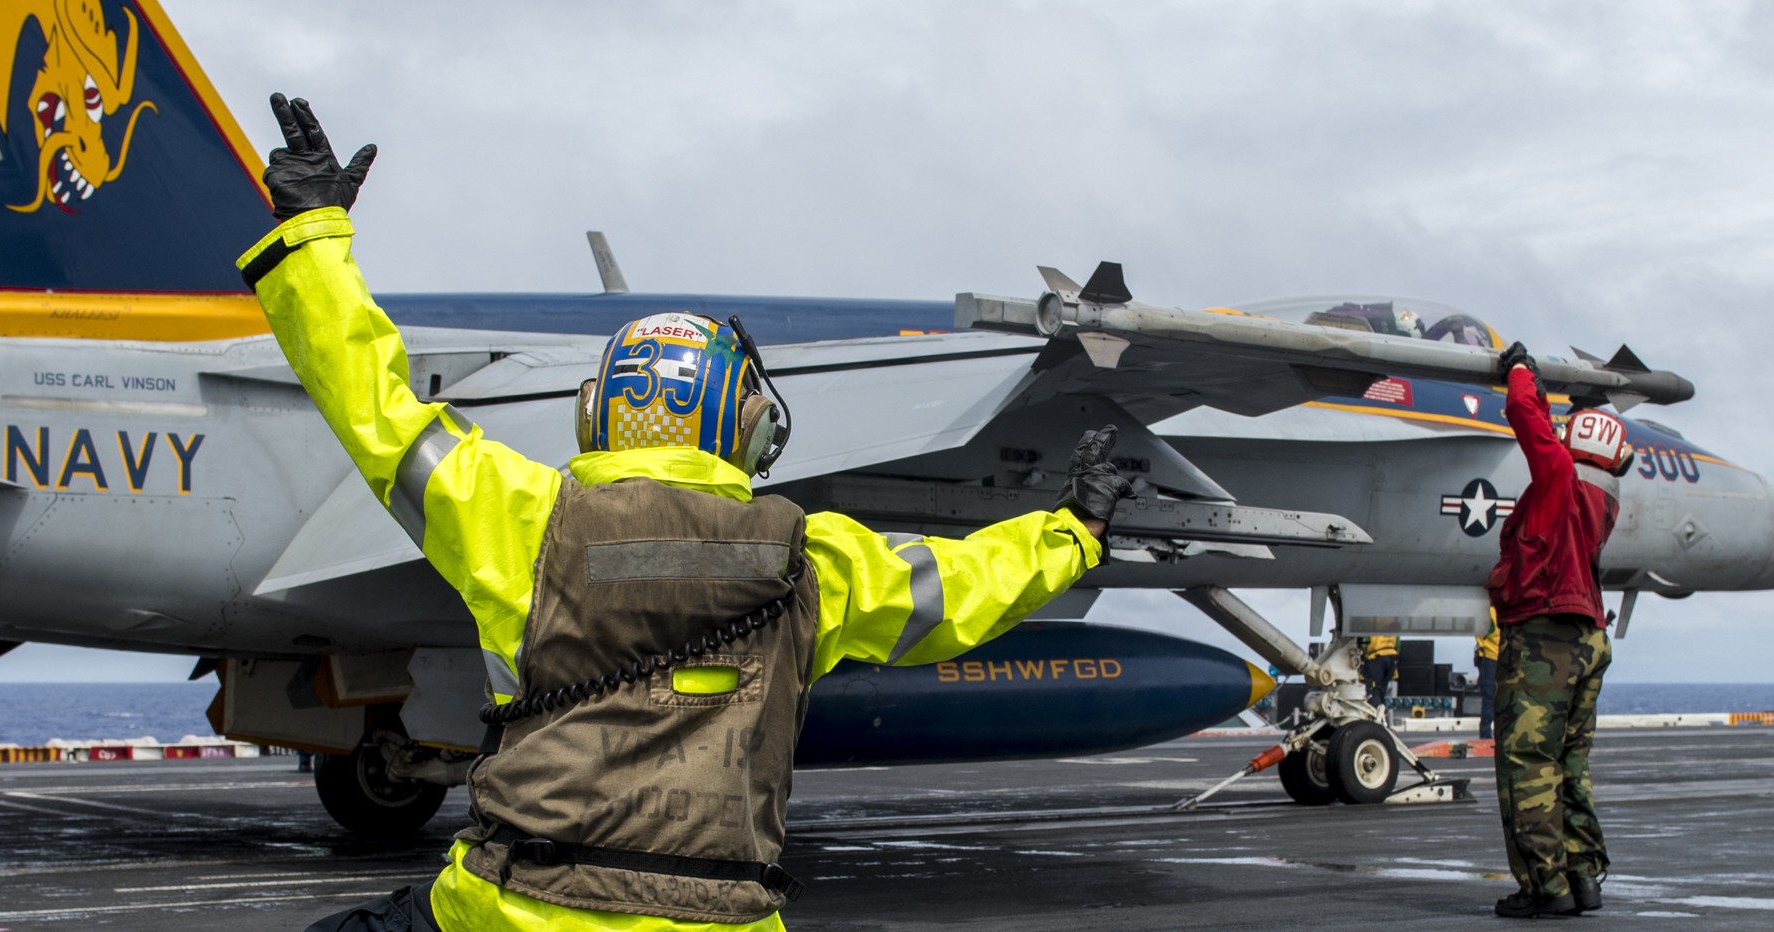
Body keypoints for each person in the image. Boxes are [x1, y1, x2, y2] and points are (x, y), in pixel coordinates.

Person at [239, 95, 1133, 932]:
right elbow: (960, 587)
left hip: (516, 908)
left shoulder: (519, 518)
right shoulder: (810, 562)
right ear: (744, 424)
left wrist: (311, 242)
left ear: (600, 409)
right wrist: (1073, 533)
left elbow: (376, 412)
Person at [1483, 341, 1635, 919]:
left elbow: (1529, 422)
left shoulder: (1560, 480)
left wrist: (1522, 374)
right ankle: (1584, 878)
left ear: (1573, 442)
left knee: (1527, 761)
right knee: (1570, 762)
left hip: (1546, 638)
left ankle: (1544, 888)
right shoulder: (1604, 495)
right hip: (1589, 637)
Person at [1474, 617, 1499, 740]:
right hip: (1497, 656)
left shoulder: (1485, 611)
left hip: (1490, 658)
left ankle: (1486, 736)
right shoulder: (1489, 611)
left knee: (1489, 700)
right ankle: (1487, 736)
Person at [1360, 636, 1399, 708]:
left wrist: (1363, 656)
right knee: (1383, 688)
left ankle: (1373, 711)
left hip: (1376, 657)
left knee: (1374, 688)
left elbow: (1363, 642)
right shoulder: (1393, 625)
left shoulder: (1370, 625)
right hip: (1391, 657)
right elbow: (1398, 643)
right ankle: (1381, 709)